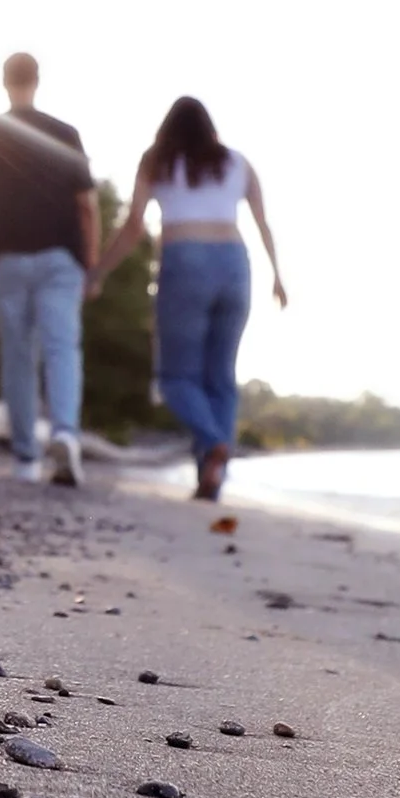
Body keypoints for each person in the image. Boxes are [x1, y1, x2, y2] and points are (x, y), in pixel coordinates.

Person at [90, 95, 286, 517]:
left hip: (186, 260)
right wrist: (278, 276)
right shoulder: (238, 162)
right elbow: (261, 221)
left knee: (176, 378)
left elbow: (133, 225)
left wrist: (99, 272)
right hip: (236, 263)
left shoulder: (156, 161)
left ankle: (213, 441)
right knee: (220, 379)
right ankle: (210, 477)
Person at [0, 51, 99, 487]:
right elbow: (87, 206)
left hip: (7, 260)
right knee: (62, 349)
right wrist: (91, 266)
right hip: (60, 260)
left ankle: (24, 458)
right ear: (37, 81)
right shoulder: (66, 134)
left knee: (18, 358)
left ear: (4, 82)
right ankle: (65, 434)